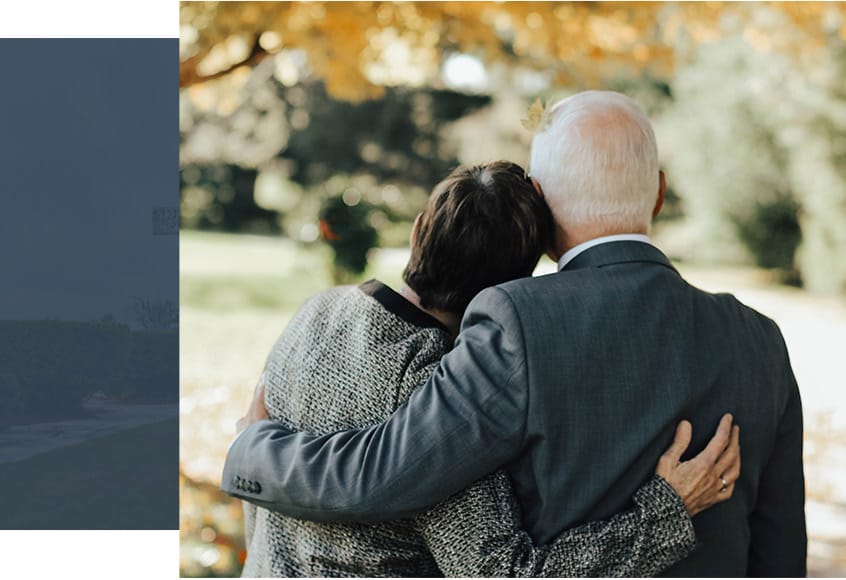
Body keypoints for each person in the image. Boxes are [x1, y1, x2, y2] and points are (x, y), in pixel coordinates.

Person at [226, 90, 802, 576]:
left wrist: (252, 447)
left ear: (544, 202)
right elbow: (781, 546)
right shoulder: (763, 341)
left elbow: (380, 475)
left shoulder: (510, 323)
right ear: (657, 190)